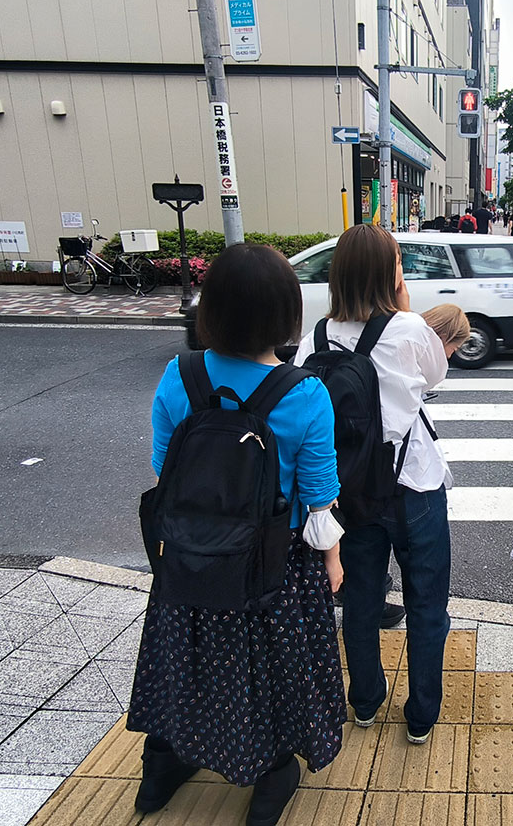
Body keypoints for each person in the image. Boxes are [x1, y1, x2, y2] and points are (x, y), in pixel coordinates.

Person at [129, 243, 345, 826]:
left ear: (212, 308)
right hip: (272, 568)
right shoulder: (304, 394)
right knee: (270, 671)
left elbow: (162, 468)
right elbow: (320, 496)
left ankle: (162, 769)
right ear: (285, 314)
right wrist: (332, 559)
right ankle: (271, 774)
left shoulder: (180, 376)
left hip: (190, 560)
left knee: (188, 663)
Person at [294, 224, 452, 746]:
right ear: (392, 273)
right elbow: (435, 376)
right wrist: (403, 304)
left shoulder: (313, 339)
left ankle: (364, 701)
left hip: (352, 492)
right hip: (415, 486)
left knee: (360, 600)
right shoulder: (408, 329)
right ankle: (421, 714)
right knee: (427, 603)